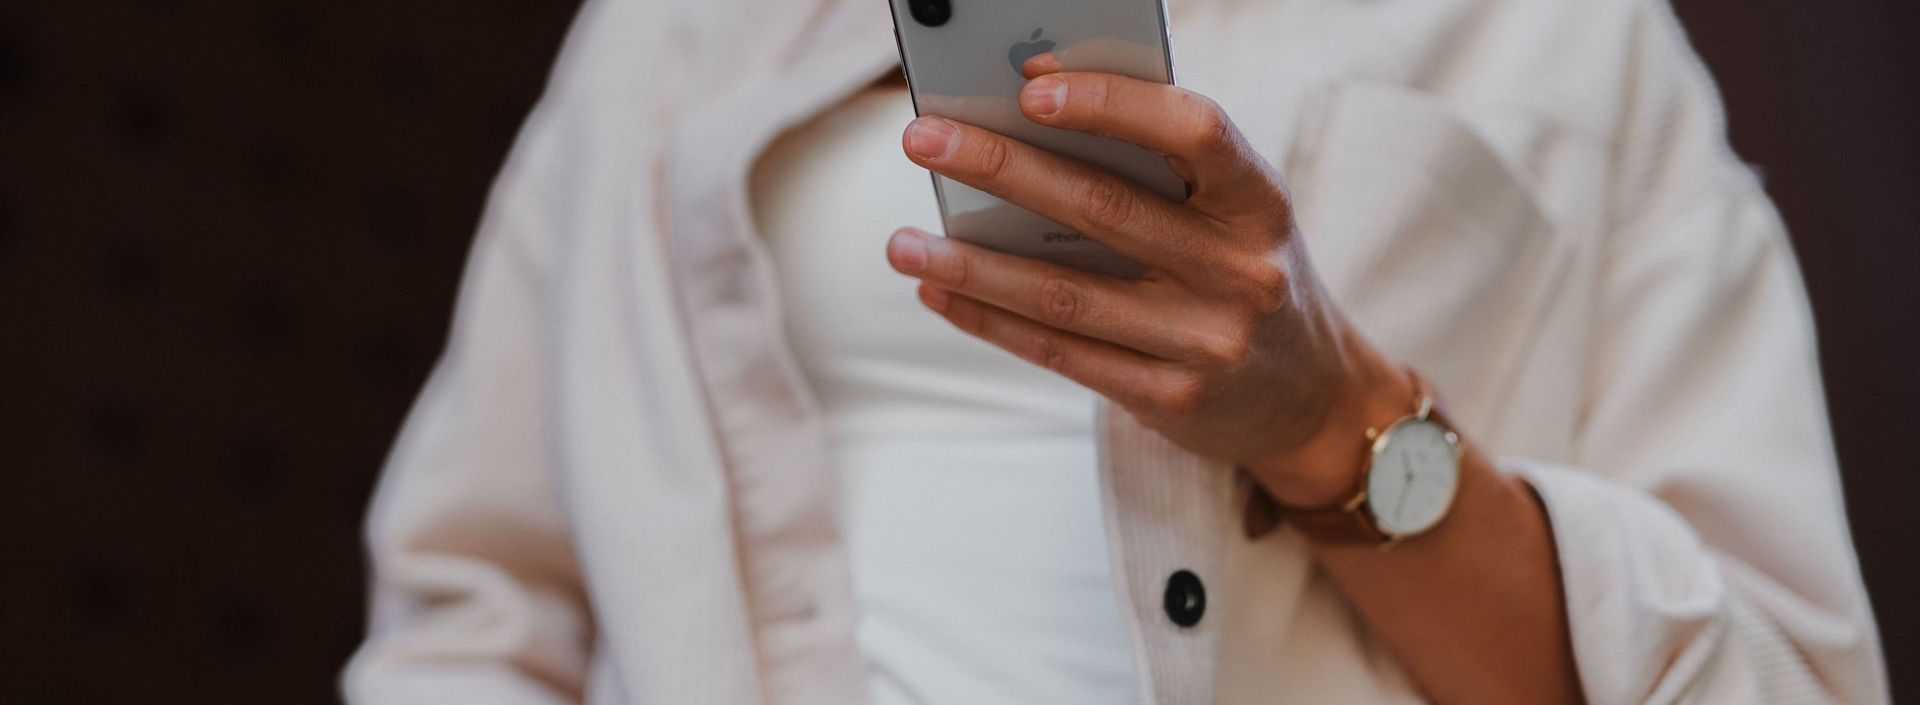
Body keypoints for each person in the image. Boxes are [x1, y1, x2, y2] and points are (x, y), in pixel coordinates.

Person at [340, 0, 1889, 702]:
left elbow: (1775, 683)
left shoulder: (1568, 39)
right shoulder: (672, 32)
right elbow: (476, 604)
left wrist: (1329, 415)